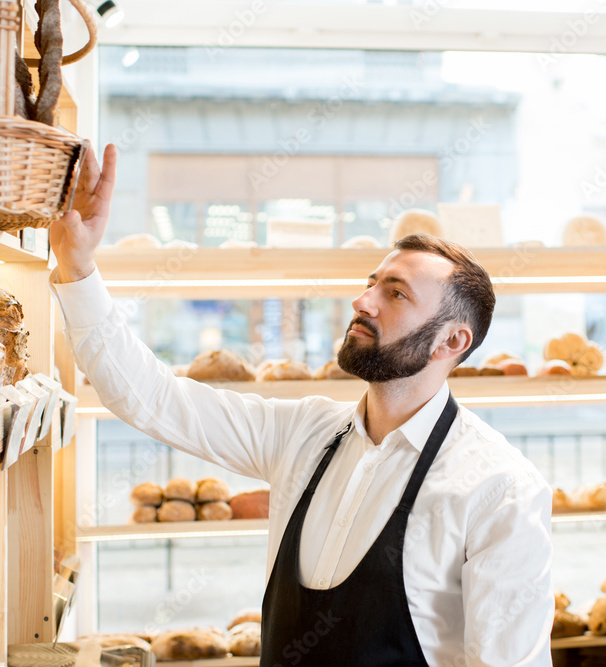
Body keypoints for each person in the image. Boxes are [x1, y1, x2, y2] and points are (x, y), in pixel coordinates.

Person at [49, 144, 554, 666]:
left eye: (396, 293)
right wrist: (78, 265)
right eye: (370, 284)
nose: (363, 301)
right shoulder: (305, 433)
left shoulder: (499, 489)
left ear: (450, 342)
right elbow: (153, 398)